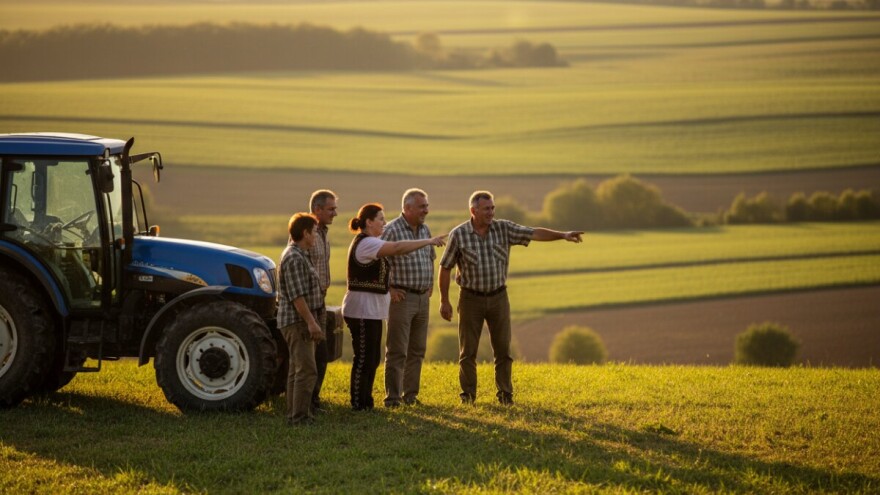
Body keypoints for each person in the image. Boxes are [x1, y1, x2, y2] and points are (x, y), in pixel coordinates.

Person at [438, 191, 583, 406]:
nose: (491, 212)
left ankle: (505, 396)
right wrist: (444, 300)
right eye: (487, 209)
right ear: (473, 211)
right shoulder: (458, 234)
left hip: (498, 297)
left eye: (493, 208)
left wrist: (562, 235)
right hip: (470, 299)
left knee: (503, 351)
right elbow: (445, 267)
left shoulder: (503, 228)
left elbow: (534, 233)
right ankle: (468, 397)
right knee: (467, 352)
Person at [342, 203, 447, 411]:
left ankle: (365, 402)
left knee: (371, 357)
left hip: (371, 310)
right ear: (369, 222)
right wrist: (428, 241)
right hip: (361, 309)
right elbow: (398, 248)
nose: (384, 222)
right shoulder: (367, 242)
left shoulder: (372, 241)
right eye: (380, 219)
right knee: (364, 358)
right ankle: (358, 403)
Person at [381, 188, 435, 407]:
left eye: (426, 206)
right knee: (397, 350)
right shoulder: (391, 230)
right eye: (422, 206)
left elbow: (430, 258)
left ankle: (410, 395)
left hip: (422, 299)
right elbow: (377, 261)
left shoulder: (425, 229)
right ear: (407, 208)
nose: (426, 210)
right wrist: (389, 289)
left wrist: (429, 285)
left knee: (417, 350)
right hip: (401, 299)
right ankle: (393, 398)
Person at [277, 213, 325, 425]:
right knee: (306, 370)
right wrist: (311, 322)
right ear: (305, 233)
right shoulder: (295, 258)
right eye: (314, 232)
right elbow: (298, 297)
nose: (316, 236)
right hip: (298, 322)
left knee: (296, 369)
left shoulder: (300, 254)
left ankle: (294, 414)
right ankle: (300, 418)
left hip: (297, 321)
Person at [304, 189, 338, 412]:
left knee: (321, 354)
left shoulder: (323, 233)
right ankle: (305, 403)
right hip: (307, 301)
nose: (335, 213)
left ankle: (313, 401)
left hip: (321, 299)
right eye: (331, 209)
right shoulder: (306, 233)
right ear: (317, 209)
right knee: (309, 357)